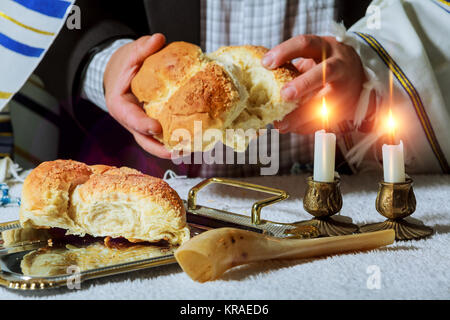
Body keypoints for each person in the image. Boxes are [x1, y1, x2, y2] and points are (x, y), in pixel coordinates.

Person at [36, 0, 449, 177]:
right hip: (167, 187)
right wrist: (107, 64)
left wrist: (369, 63)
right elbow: (44, 11)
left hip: (348, 186)